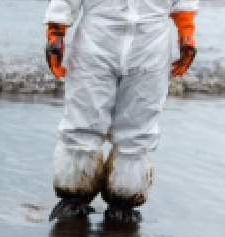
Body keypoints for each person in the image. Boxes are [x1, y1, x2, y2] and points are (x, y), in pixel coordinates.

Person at [45, 0, 198, 222]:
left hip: (151, 43)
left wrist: (187, 32)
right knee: (83, 120)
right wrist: (55, 32)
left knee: (139, 124)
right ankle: (74, 197)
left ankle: (123, 203)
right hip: (96, 39)